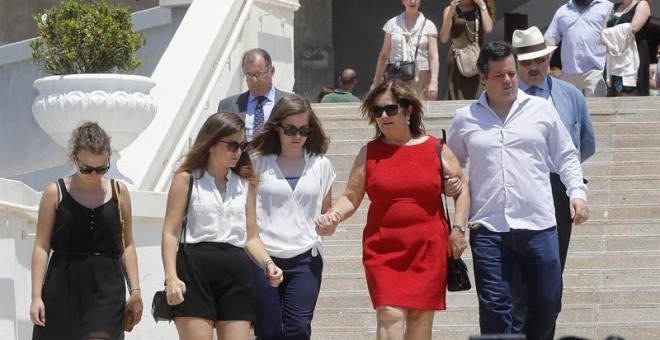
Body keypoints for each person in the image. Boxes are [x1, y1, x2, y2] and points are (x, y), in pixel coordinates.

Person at [446, 41, 589, 339]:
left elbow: (566, 156)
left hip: (538, 224)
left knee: (548, 302)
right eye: (499, 75)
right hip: (488, 228)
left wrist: (577, 192)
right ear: (483, 78)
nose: (509, 80)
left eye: (511, 73)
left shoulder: (541, 110)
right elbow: (453, 164)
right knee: (495, 308)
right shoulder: (465, 117)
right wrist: (449, 182)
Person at [316, 79, 470, 339]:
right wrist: (334, 215)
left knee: (421, 318)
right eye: (377, 111)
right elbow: (351, 196)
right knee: (390, 314)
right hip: (383, 248)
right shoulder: (370, 152)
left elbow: (462, 188)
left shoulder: (435, 148)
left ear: (408, 110)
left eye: (390, 109)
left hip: (427, 247)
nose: (383, 116)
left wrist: (458, 229)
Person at [161, 112, 284, 340]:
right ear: (210, 143)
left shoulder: (245, 183)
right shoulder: (186, 179)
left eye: (242, 145)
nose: (238, 152)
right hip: (194, 269)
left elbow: (251, 237)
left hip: (236, 272)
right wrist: (171, 277)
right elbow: (170, 233)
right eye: (232, 145)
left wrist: (268, 264)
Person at [510, 26, 596, 338]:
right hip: (516, 192)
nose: (533, 67)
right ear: (515, 64)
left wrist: (569, 182)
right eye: (525, 62)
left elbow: (586, 143)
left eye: (539, 60)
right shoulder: (501, 97)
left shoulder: (570, 95)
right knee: (516, 279)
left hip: (559, 192)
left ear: (549, 57)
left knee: (550, 278)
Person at [30, 121, 143, 339]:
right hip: (63, 287)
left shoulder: (120, 192)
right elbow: (42, 246)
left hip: (107, 288)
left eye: (102, 168)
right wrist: (36, 296)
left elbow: (127, 244)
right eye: (86, 168)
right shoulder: (55, 192)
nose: (94, 174)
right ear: (74, 158)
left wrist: (135, 291)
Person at [249, 95, 336, 339]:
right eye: (289, 129)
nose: (297, 136)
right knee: (268, 331)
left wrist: (328, 223)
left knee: (298, 328)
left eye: (304, 130)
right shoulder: (257, 163)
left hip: (305, 258)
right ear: (277, 127)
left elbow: (325, 212)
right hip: (263, 257)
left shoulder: (321, 165)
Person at [218, 48, 293, 141]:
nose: (254, 80)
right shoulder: (228, 106)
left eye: (259, 74)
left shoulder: (292, 103)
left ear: (272, 71)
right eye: (249, 75)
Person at [371, 0, 439, 100]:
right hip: (396, 74)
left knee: (418, 109)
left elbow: (434, 57)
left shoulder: (429, 25)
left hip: (421, 76)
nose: (412, 1)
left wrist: (434, 82)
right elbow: (384, 55)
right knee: (397, 108)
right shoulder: (392, 23)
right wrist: (376, 80)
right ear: (403, 2)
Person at [545, 0, 613, 97]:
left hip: (596, 72)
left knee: (597, 110)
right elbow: (551, 39)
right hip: (568, 74)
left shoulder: (607, 6)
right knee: (570, 110)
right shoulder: (562, 11)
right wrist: (545, 63)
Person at [440, 0, 495, 100]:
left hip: (477, 60)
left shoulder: (480, 9)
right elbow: (444, 38)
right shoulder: (450, 10)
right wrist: (451, 12)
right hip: (457, 62)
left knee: (479, 97)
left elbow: (488, 28)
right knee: (458, 98)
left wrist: (482, 5)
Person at [604, 0, 651, 96]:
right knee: (615, 93)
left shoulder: (642, 4)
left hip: (635, 55)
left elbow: (634, 27)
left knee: (632, 92)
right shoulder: (614, 7)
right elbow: (603, 29)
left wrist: (608, 33)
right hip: (615, 56)